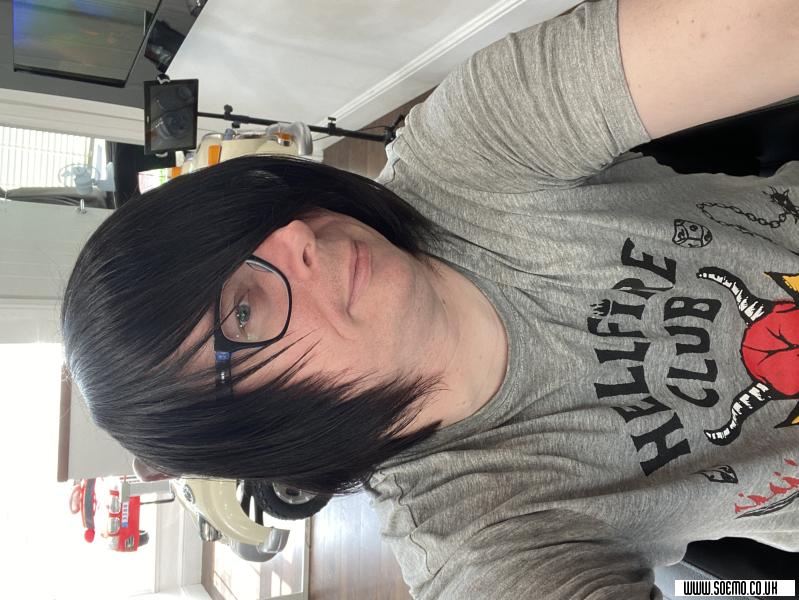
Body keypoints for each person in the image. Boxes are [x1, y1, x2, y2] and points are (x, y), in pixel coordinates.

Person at [62, 0, 799, 597]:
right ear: (262, 426)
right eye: (245, 312)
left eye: (252, 224)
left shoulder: (465, 150)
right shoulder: (476, 542)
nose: (294, 237)